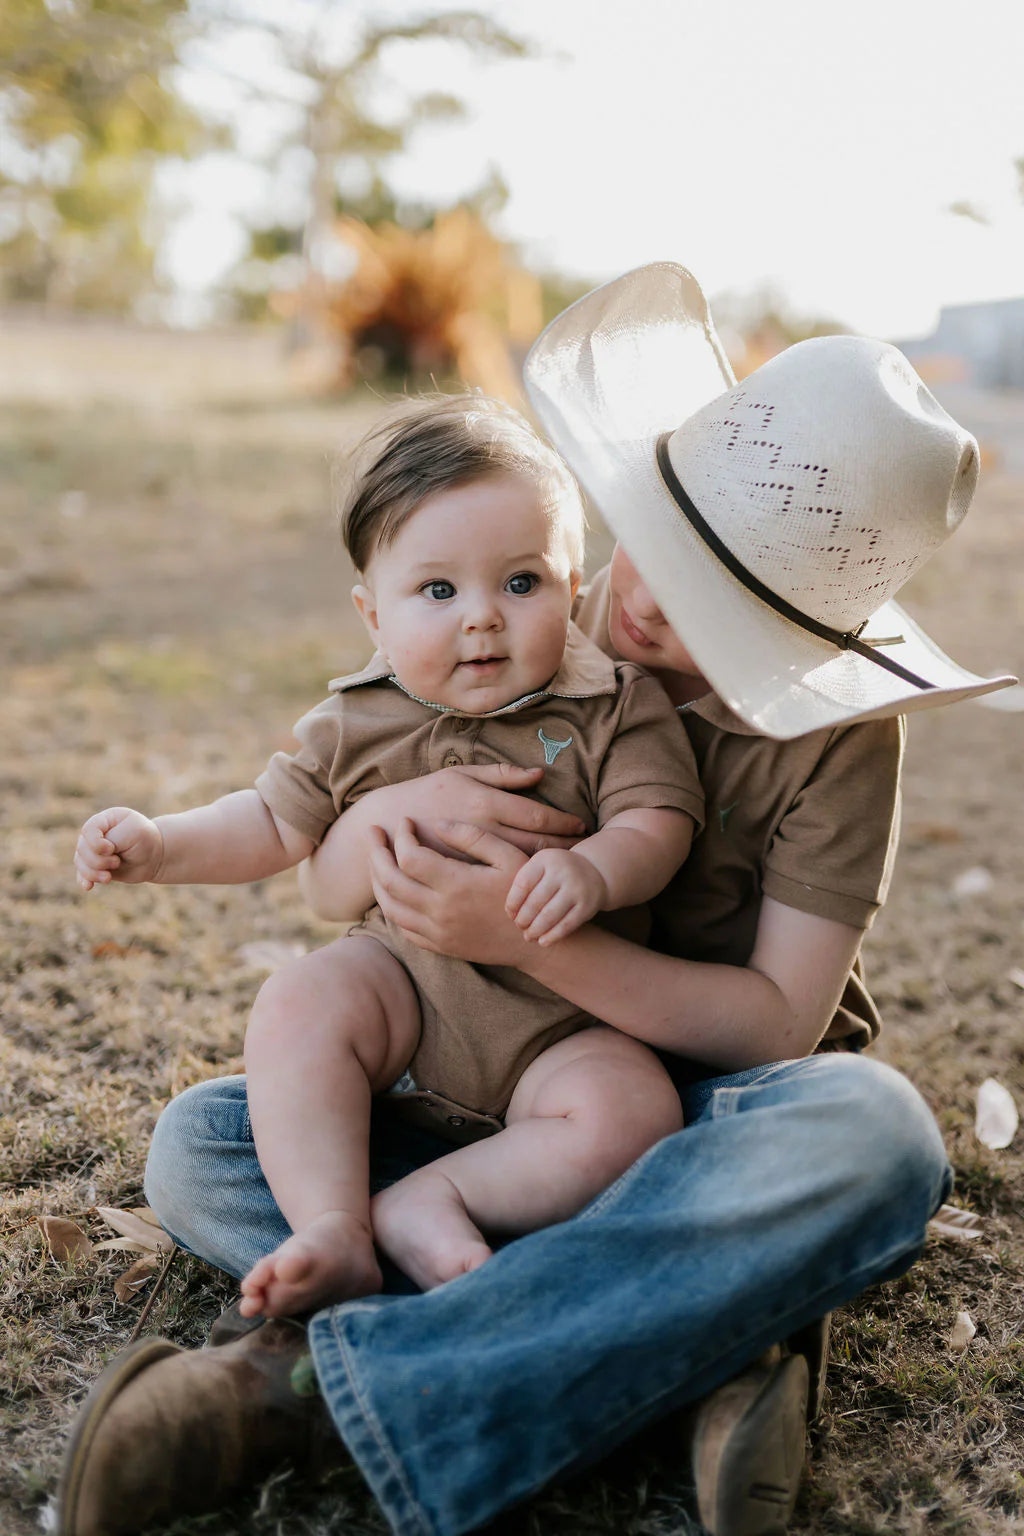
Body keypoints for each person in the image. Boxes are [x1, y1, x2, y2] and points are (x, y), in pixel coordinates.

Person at [57, 264, 1014, 1536]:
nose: (641, 604)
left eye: (714, 599)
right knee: (204, 1143)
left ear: (812, 628)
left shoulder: (836, 741)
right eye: (653, 542)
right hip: (460, 1065)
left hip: (677, 1094)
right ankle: (680, 1353)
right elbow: (326, 880)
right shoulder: (522, 607)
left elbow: (778, 1024)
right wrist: (376, 827)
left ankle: (310, 1392)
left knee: (876, 1136)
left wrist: (538, 946)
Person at [72, 394, 701, 1320]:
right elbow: (272, 823)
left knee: (636, 1112)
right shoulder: (360, 720)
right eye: (438, 591)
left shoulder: (614, 706)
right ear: (373, 613)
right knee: (301, 1000)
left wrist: (598, 870)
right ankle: (335, 1227)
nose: (481, 619)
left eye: (520, 583)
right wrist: (160, 845)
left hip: (564, 1027)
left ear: (575, 587)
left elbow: (660, 820)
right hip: (401, 999)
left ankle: (438, 1201)